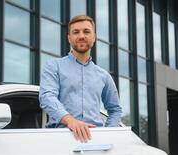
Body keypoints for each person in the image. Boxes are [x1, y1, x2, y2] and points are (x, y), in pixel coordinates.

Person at [39, 15, 122, 143]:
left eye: (86, 31)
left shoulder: (104, 76)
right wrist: (71, 121)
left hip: (95, 141)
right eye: (76, 32)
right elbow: (46, 96)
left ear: (94, 37)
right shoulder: (53, 66)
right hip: (60, 138)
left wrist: (107, 133)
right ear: (69, 38)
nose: (81, 36)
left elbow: (115, 109)